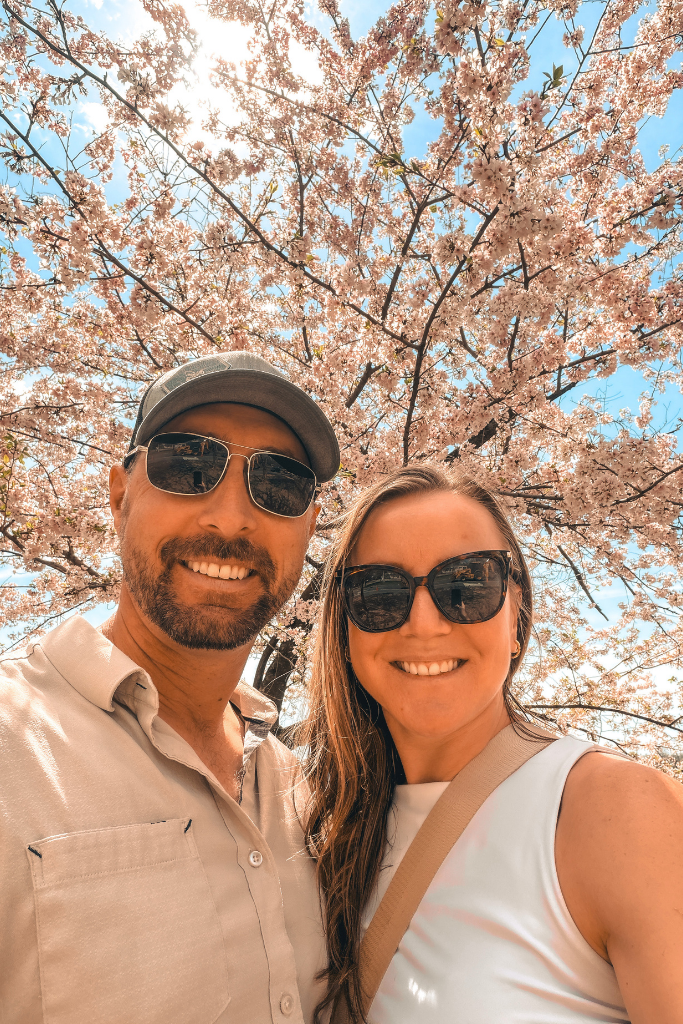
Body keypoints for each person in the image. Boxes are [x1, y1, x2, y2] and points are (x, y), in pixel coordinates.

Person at [0, 351, 339, 1024]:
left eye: (280, 485)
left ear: (307, 526)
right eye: (188, 465)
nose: (230, 520)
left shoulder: (300, 793)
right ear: (121, 496)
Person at [301, 465, 683, 1024]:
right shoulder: (316, 827)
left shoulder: (615, 810)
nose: (424, 624)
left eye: (467, 584)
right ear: (346, 622)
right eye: (381, 591)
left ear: (516, 608)